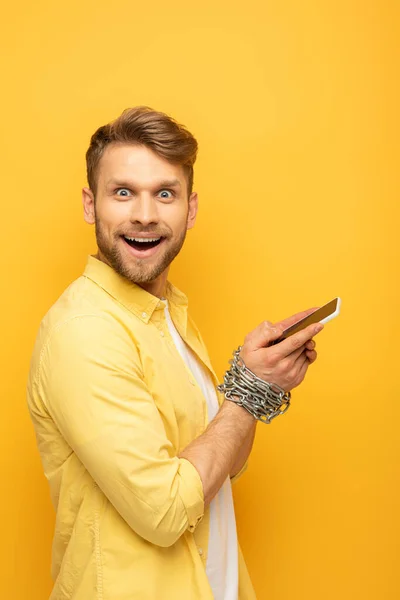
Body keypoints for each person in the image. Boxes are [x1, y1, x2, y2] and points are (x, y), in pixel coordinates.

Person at [26, 106, 322, 600]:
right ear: (89, 204)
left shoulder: (168, 315)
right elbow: (163, 511)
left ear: (190, 208)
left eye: (165, 193)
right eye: (123, 192)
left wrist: (257, 381)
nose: (144, 214)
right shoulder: (85, 333)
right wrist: (248, 392)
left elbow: (226, 462)